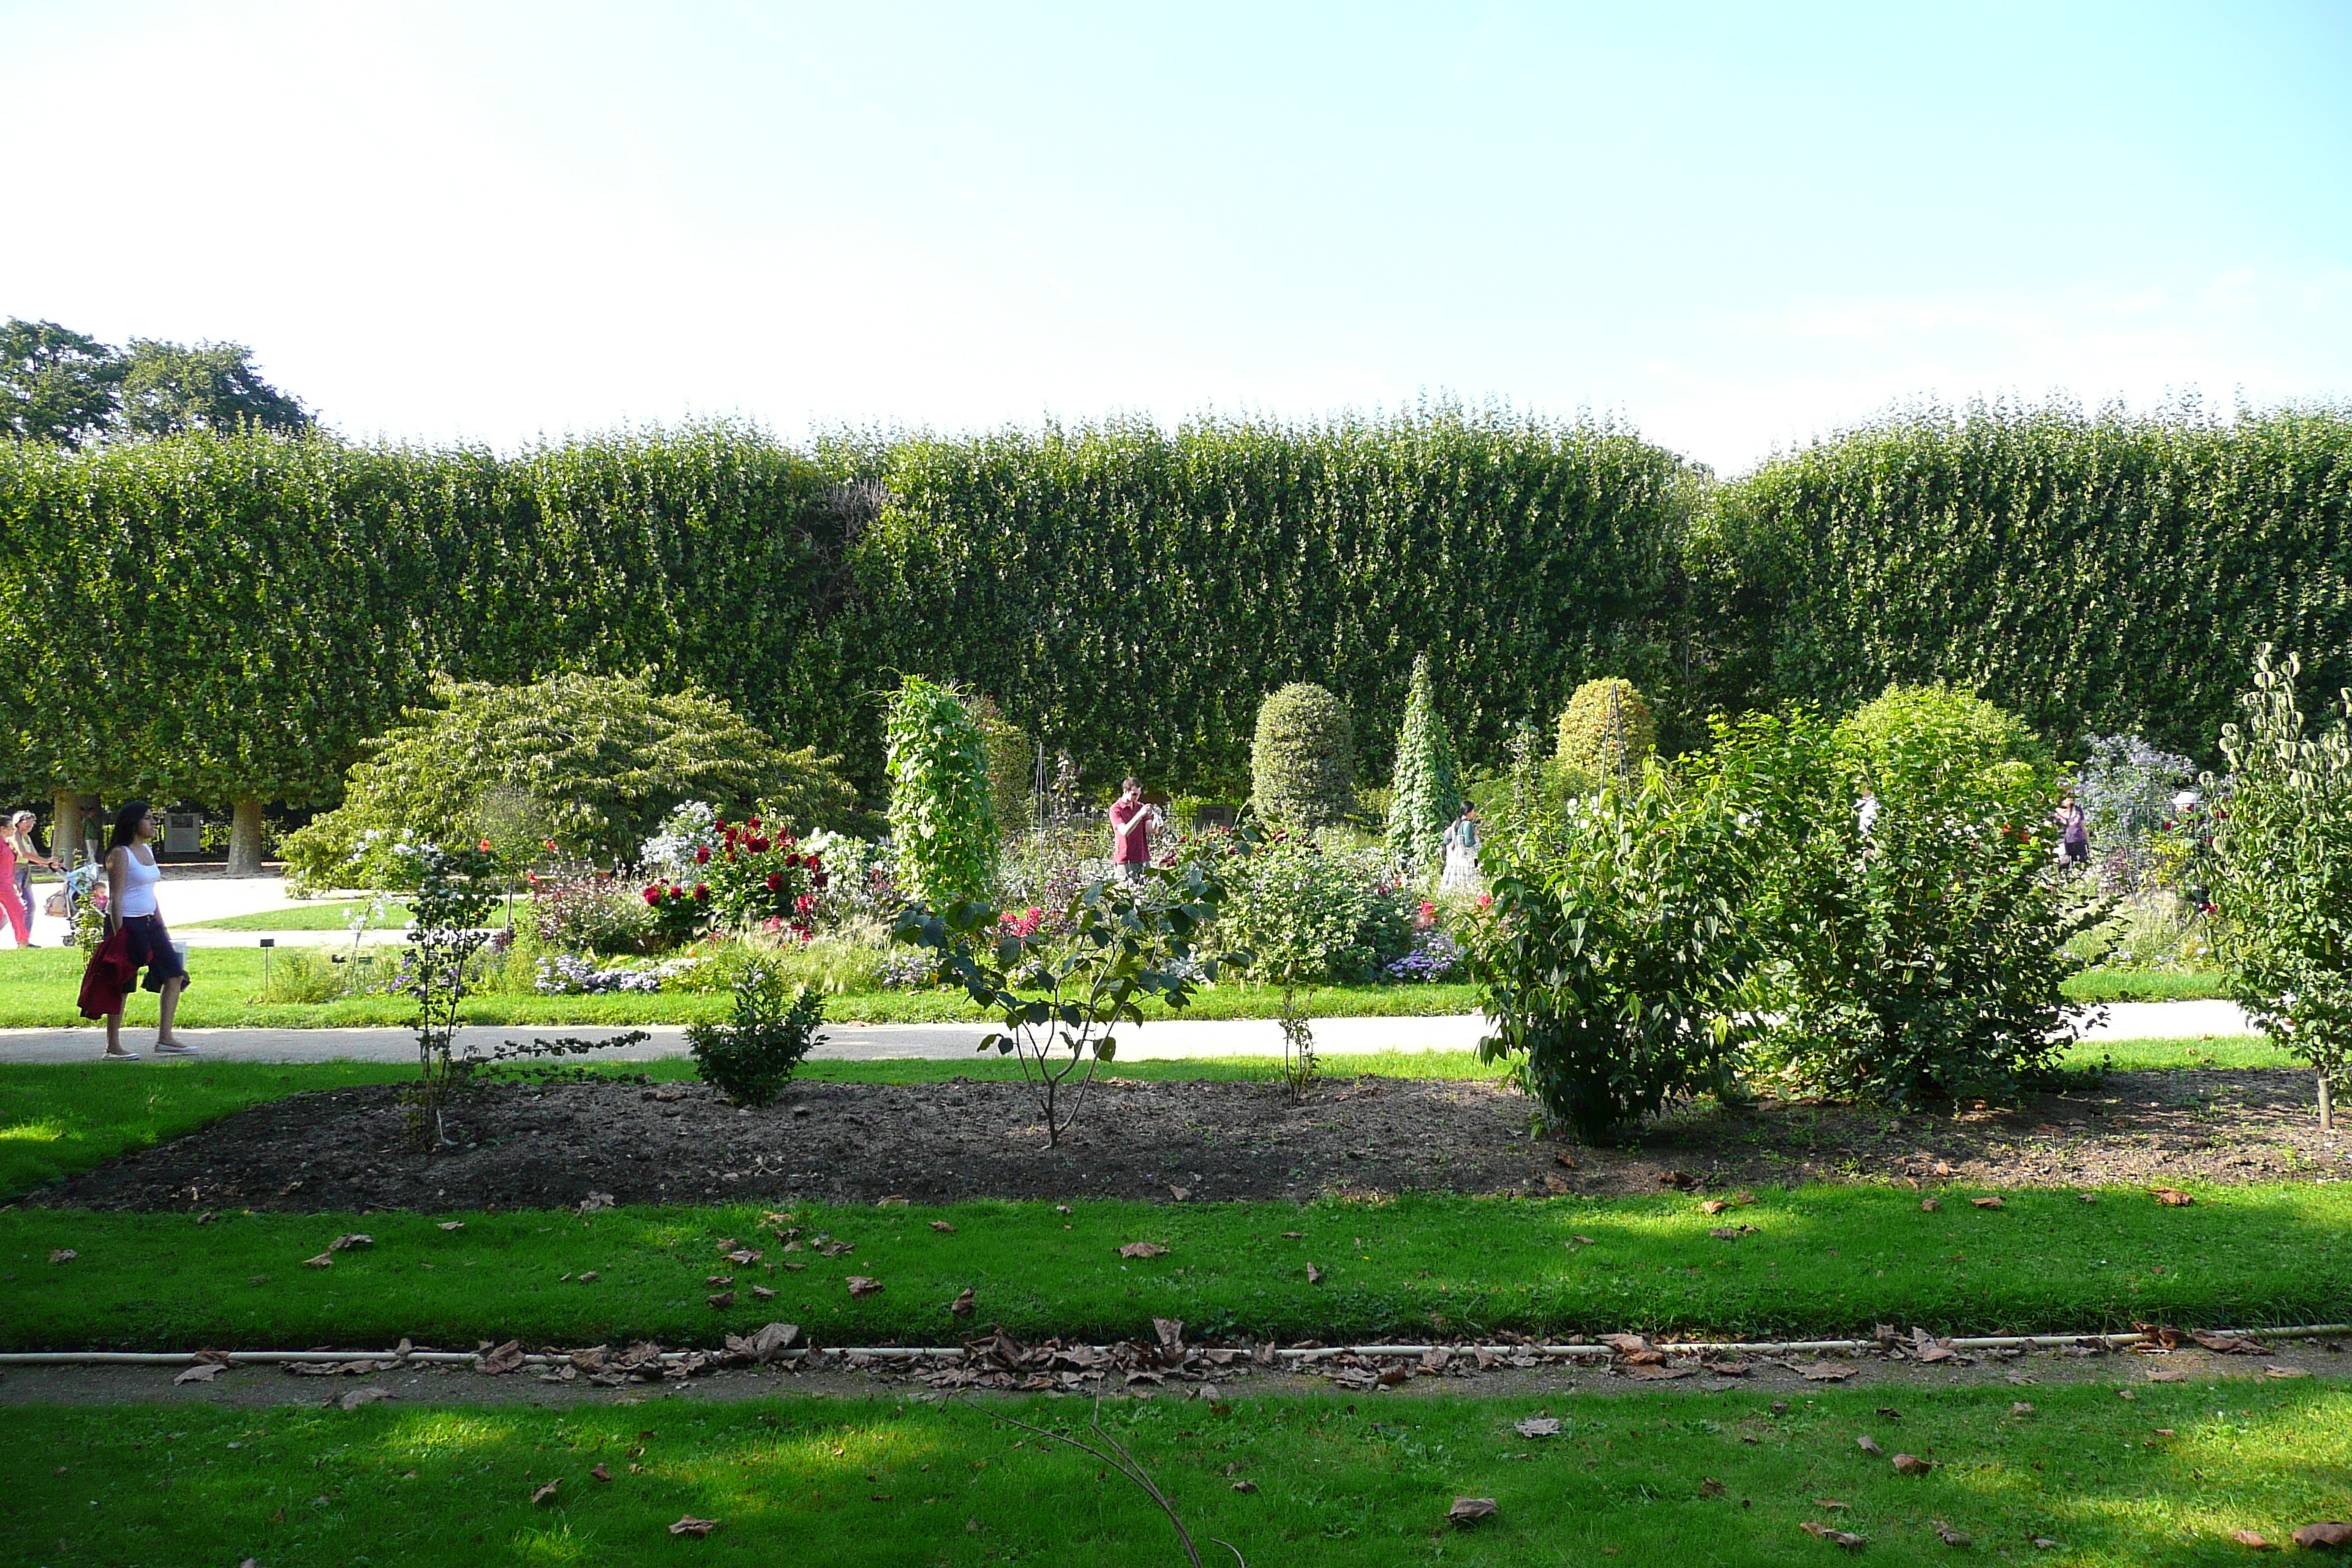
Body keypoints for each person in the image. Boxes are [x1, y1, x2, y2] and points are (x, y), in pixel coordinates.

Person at [94, 801, 193, 1058]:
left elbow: (149, 892)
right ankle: (113, 1046)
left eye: (153, 818)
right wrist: (118, 935)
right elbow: (116, 898)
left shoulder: (147, 850)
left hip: (150, 922)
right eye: (148, 818)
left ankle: (166, 1039)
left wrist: (161, 926)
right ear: (133, 822)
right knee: (122, 982)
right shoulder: (120, 853)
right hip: (127, 923)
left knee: (174, 974)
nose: (153, 823)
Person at [7, 810, 58, 945]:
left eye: (32, 821)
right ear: (18, 823)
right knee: (9, 908)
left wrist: (50, 862)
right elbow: (23, 854)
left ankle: (25, 941)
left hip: (25, 873)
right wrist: (46, 861)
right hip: (13, 872)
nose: (30, 824)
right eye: (26, 821)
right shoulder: (14, 834)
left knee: (30, 906)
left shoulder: (27, 837)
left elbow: (35, 856)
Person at [1107, 777, 1153, 884]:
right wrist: (1140, 815)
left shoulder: (1140, 806)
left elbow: (1152, 830)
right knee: (1126, 895)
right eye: (1134, 794)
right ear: (1125, 791)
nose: (1137, 797)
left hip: (1142, 857)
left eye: (1139, 794)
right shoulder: (1116, 809)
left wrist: (1158, 818)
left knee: (1149, 894)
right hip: (1125, 860)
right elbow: (1124, 832)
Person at [1438, 802, 1483, 896]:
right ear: (1469, 812)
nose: (1474, 813)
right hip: (1466, 857)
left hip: (1456, 857)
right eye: (1473, 810)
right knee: (1470, 880)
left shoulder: (1456, 823)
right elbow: (1468, 842)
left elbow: (1446, 839)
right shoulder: (1467, 824)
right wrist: (1475, 836)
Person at [2055, 792, 2090, 870]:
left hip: (2079, 842)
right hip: (2062, 844)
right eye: (2069, 796)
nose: (2072, 798)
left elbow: (2084, 828)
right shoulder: (2054, 813)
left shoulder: (2078, 810)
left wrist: (2088, 844)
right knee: (2064, 868)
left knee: (2082, 867)